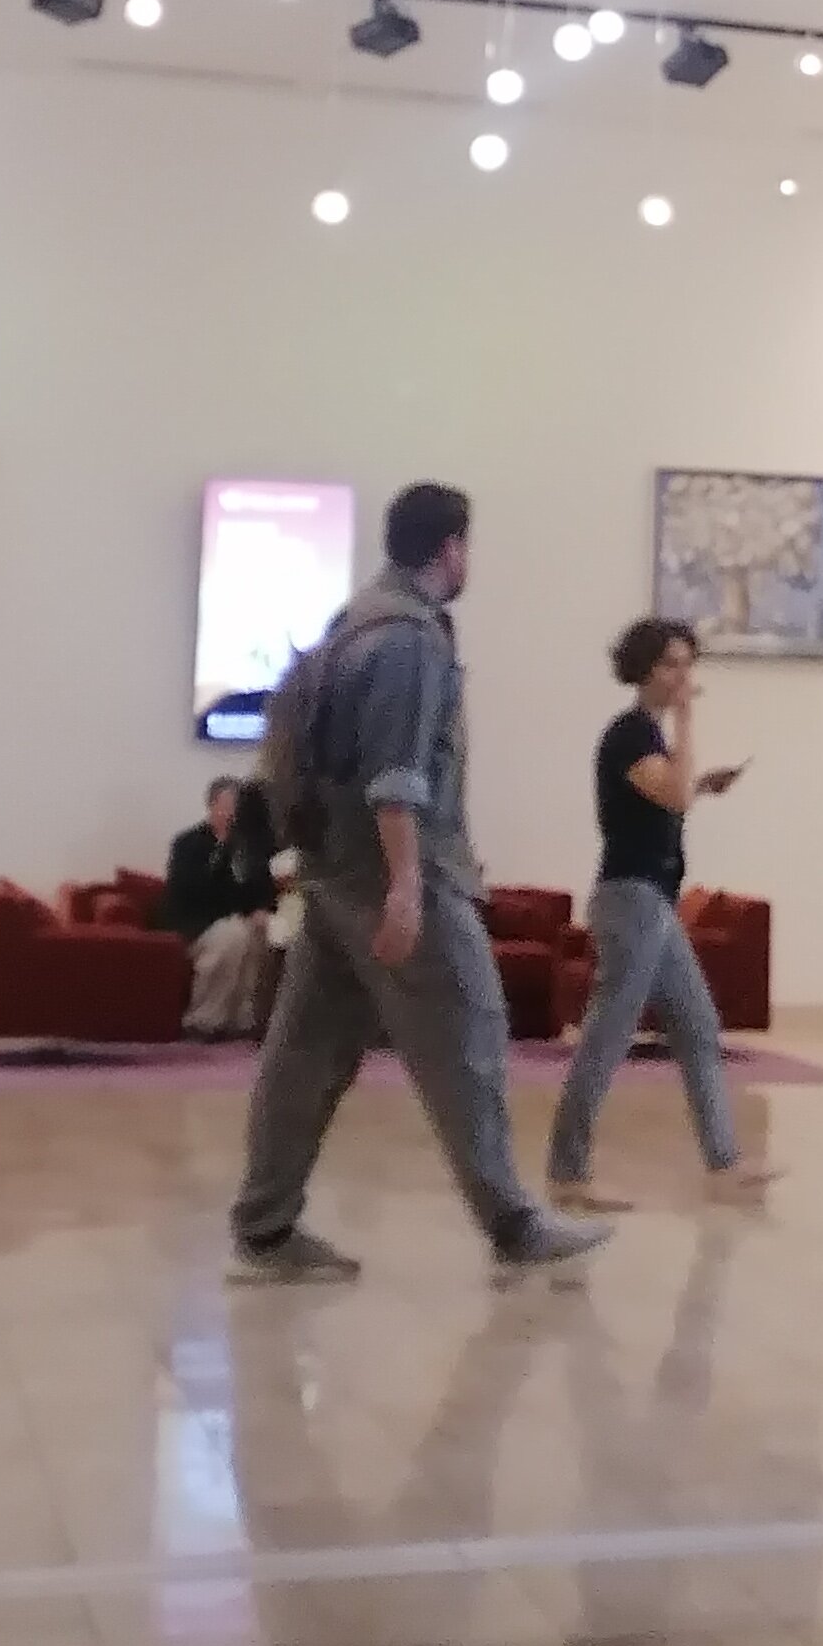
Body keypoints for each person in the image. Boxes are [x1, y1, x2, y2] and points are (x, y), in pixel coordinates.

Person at [229, 481, 610, 1284]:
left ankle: (265, 1228)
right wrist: (407, 888)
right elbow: (396, 778)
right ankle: (513, 1223)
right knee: (470, 1028)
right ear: (452, 548)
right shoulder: (410, 639)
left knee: (305, 1054)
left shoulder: (351, 624)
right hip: (395, 873)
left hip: (331, 873)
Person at [547, 616, 779, 1212]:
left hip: (653, 902)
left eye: (687, 663)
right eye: (672, 663)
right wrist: (687, 723)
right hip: (631, 902)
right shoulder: (630, 734)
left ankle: (724, 1164)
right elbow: (671, 794)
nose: (683, 675)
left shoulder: (646, 737)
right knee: (607, 1037)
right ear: (645, 669)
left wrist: (700, 785)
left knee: (698, 1027)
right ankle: (568, 1173)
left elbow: (668, 796)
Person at [163, 777, 277, 1038]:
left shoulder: (249, 846)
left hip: (238, 920)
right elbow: (191, 890)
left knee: (262, 935)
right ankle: (204, 1021)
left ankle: (244, 1020)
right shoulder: (188, 843)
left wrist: (261, 908)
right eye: (229, 806)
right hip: (197, 923)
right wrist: (223, 849)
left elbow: (262, 887)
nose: (234, 814)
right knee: (233, 935)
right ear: (212, 806)